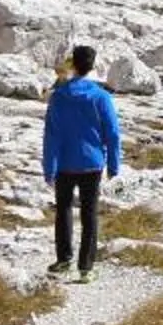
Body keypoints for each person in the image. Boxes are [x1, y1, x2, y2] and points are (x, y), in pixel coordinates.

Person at [40, 43, 121, 283]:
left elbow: (51, 133)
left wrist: (48, 166)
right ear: (93, 66)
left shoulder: (59, 96)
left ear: (73, 64)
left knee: (63, 209)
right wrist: (114, 164)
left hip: (64, 161)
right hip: (92, 162)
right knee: (89, 213)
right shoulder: (101, 96)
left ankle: (64, 259)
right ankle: (86, 267)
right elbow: (112, 132)